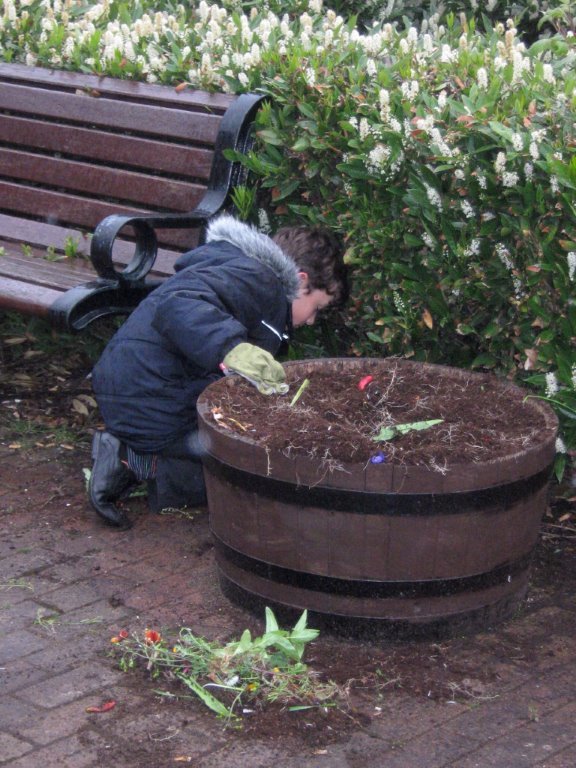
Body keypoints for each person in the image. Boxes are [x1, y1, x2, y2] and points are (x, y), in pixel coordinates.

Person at [88, 214, 349, 530]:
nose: (310, 321)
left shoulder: (238, 269)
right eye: (317, 308)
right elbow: (178, 304)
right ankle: (132, 460)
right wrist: (230, 347)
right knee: (241, 472)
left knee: (236, 462)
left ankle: (137, 453)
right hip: (150, 398)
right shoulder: (260, 281)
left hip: (138, 389)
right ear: (302, 280)